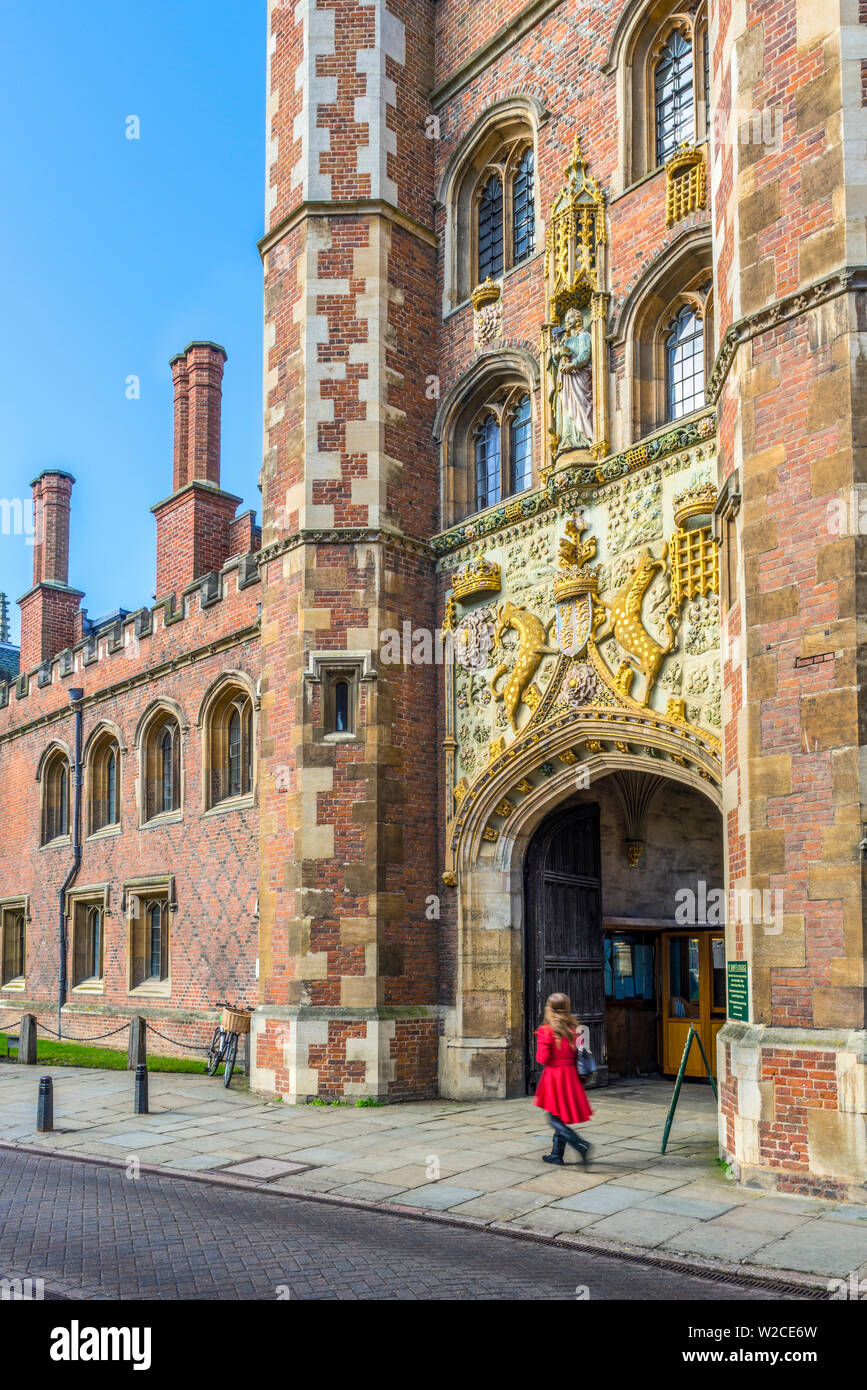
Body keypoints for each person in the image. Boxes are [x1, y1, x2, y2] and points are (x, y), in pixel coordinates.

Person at [534, 992, 594, 1166]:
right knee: (559, 1116)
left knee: (554, 1119)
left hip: (554, 1077)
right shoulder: (576, 1029)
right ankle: (556, 1154)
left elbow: (543, 1059)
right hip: (571, 1077)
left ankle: (580, 1145)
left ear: (549, 1009)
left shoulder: (546, 1031)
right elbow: (582, 1052)